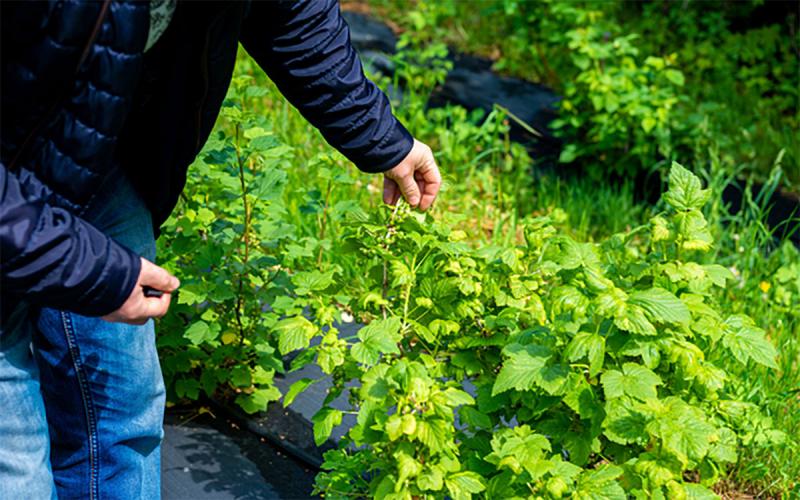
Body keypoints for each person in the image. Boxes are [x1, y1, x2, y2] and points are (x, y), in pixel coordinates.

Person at [0, 1, 441, 497]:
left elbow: (288, 9)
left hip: (83, 151)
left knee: (121, 409)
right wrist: (76, 265)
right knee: (15, 464)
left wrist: (379, 135)